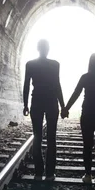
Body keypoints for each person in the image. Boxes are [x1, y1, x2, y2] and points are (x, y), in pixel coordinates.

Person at [61, 53, 95, 185]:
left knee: (87, 145)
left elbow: (76, 93)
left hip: (87, 114)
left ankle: (88, 175)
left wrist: (66, 108)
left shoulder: (85, 77)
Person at [23, 39, 66, 181]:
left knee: (37, 137)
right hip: (52, 102)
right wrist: (63, 105)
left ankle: (38, 172)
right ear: (48, 49)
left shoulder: (30, 65)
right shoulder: (55, 65)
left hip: (36, 101)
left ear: (37, 48)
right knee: (51, 138)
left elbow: (26, 86)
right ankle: (49, 173)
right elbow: (57, 85)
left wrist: (25, 105)